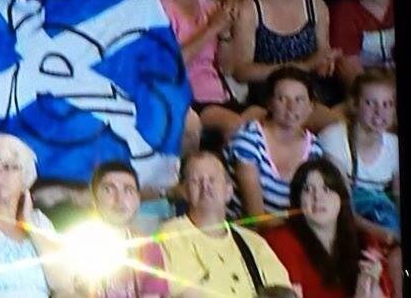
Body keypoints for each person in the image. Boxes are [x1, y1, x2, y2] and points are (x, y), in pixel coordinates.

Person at [231, 0, 341, 130]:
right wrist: (301, 67)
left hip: (311, 95)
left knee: (338, 127)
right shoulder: (249, 7)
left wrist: (326, 62)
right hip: (269, 98)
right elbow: (241, 71)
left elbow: (323, 55)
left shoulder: (316, 5)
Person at [159, 151, 291, 296]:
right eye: (196, 181)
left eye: (212, 179)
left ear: (229, 191)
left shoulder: (254, 243)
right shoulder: (171, 236)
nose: (205, 186)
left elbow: (282, 293)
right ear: (184, 191)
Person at [0, 134, 72, 297]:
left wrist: (30, 225)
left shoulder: (39, 221)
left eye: (9, 167)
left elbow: (63, 283)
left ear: (24, 173)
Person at [263, 158, 391, 297]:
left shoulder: (364, 241)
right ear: (297, 201)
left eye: (327, 189)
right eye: (307, 190)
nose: (318, 197)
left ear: (341, 198)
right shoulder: (282, 240)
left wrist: (369, 284)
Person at [159, 0, 245, 139]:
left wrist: (224, 35)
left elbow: (228, 67)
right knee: (236, 126)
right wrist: (212, 28)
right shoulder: (157, 9)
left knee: (261, 120)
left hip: (218, 94)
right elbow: (169, 65)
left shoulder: (211, 7)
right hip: (184, 98)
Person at [227, 67, 324, 220]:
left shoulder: (315, 150)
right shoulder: (248, 140)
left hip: (291, 231)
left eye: (299, 99)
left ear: (310, 107)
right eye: (282, 99)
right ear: (269, 103)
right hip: (249, 233)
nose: (291, 107)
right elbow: (256, 218)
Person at [318, 69, 399, 244]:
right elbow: (344, 210)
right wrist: (384, 234)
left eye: (387, 104)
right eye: (370, 103)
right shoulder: (334, 140)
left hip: (384, 221)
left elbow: (399, 198)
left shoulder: (395, 146)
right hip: (347, 224)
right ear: (355, 104)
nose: (380, 112)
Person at [81, 161, 168, 297]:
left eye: (128, 190)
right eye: (109, 189)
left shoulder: (148, 247)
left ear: (138, 200)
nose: (120, 199)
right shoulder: (78, 245)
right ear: (94, 199)